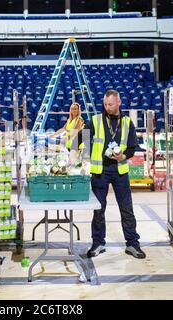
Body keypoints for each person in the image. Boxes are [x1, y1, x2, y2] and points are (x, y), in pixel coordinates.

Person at [73, 90, 146, 259]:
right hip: (100, 172)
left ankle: (133, 244)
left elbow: (132, 148)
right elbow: (80, 138)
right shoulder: (96, 120)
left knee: (127, 209)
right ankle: (98, 243)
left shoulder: (127, 123)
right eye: (105, 104)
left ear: (119, 102)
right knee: (98, 210)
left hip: (120, 171)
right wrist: (72, 152)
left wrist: (123, 156)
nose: (107, 107)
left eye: (110, 104)